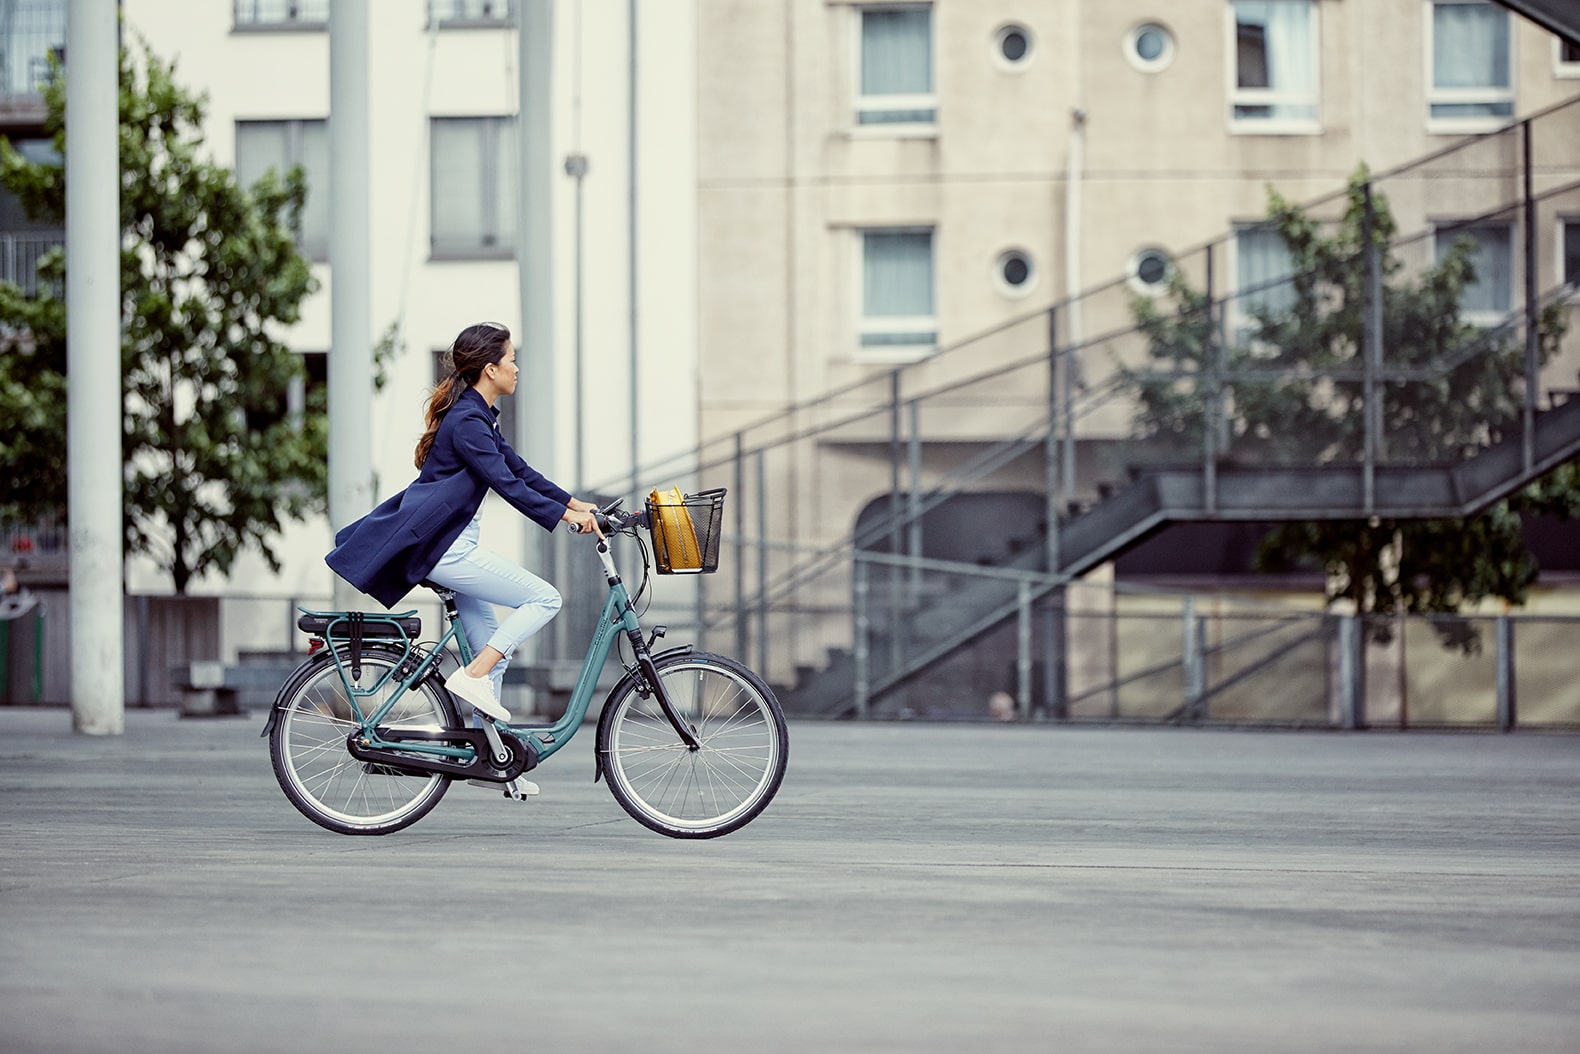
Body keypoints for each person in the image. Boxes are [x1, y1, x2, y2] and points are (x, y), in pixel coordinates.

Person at [326, 321, 601, 737]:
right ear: (490, 369)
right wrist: (565, 518)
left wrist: (575, 503)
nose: (517, 367)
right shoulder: (468, 421)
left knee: (495, 652)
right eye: (512, 359)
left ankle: (487, 753)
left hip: (454, 546)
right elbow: (506, 484)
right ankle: (472, 678)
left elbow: (520, 470)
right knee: (545, 598)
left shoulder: (479, 416)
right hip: (447, 551)